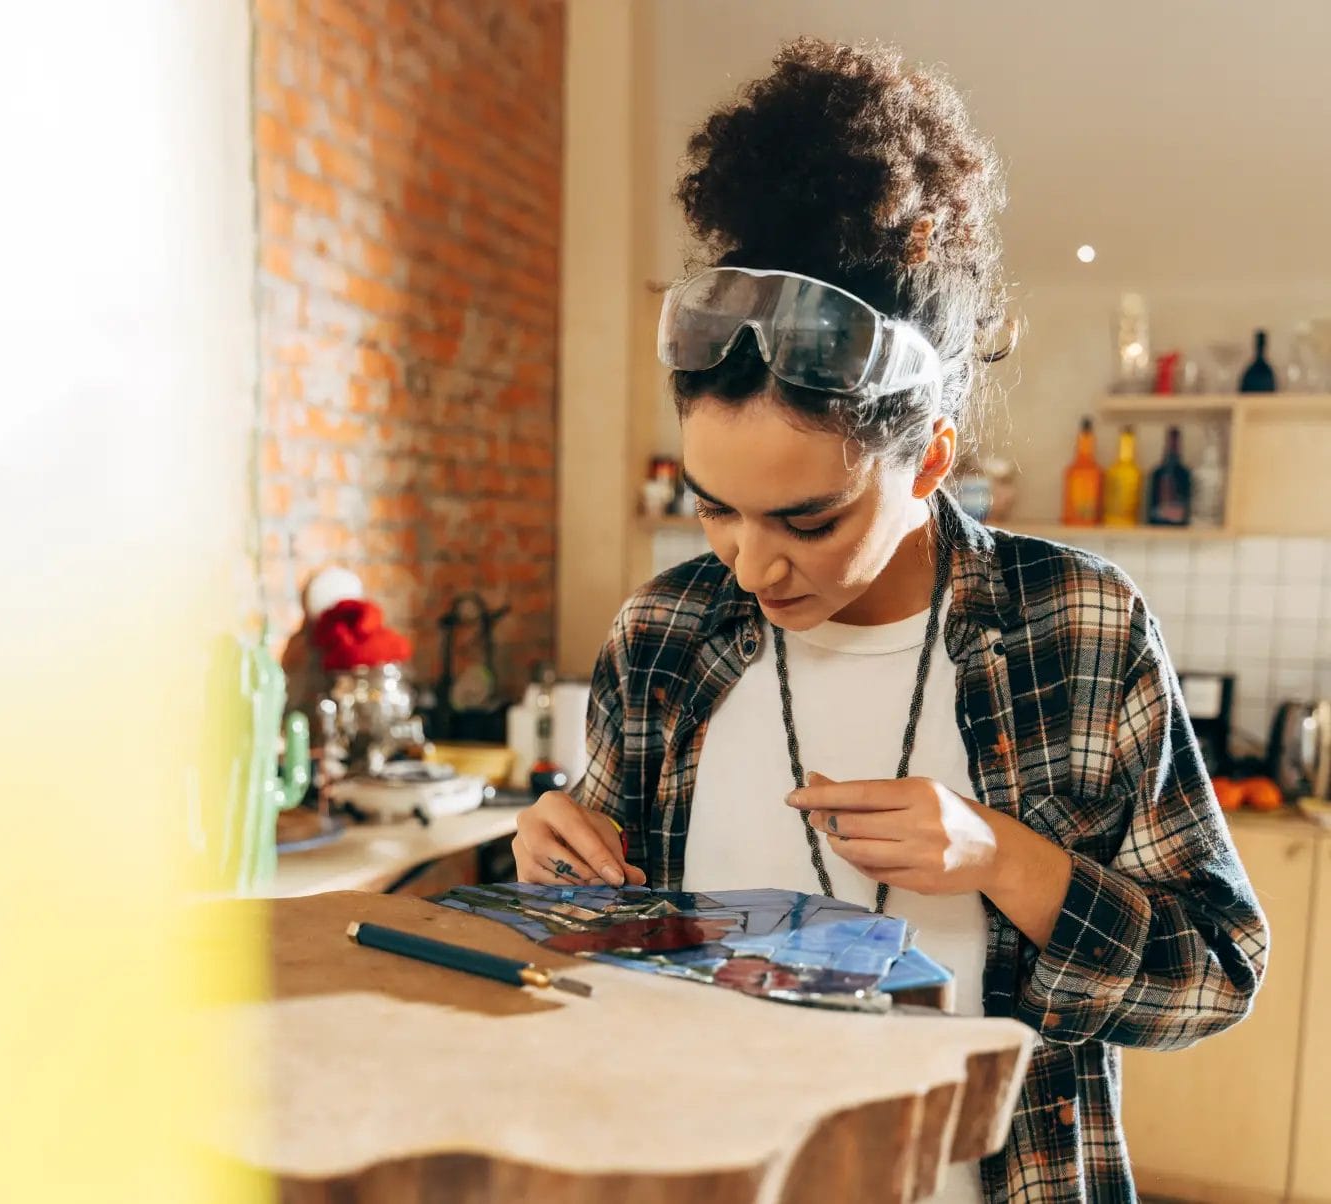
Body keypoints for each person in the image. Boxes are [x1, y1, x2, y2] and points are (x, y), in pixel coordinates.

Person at [512, 37, 1267, 1203]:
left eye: (806, 519)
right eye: (713, 506)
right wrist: (554, 874)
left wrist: (1004, 861)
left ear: (927, 462)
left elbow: (1214, 975)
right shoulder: (663, 635)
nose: (751, 564)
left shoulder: (1077, 626)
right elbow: (602, 954)